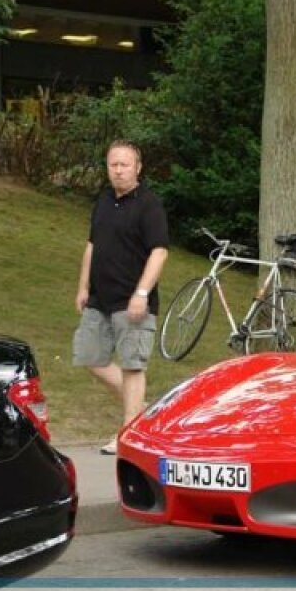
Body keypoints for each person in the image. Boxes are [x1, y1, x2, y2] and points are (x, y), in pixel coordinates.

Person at [72, 140, 169, 454]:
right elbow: (92, 246)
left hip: (133, 301)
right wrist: (83, 287)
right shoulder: (102, 201)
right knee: (89, 357)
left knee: (132, 366)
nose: (118, 170)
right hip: (99, 299)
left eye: (124, 164)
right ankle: (144, 409)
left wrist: (141, 293)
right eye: (113, 164)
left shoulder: (149, 204)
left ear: (137, 168)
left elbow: (159, 251)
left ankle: (129, 434)